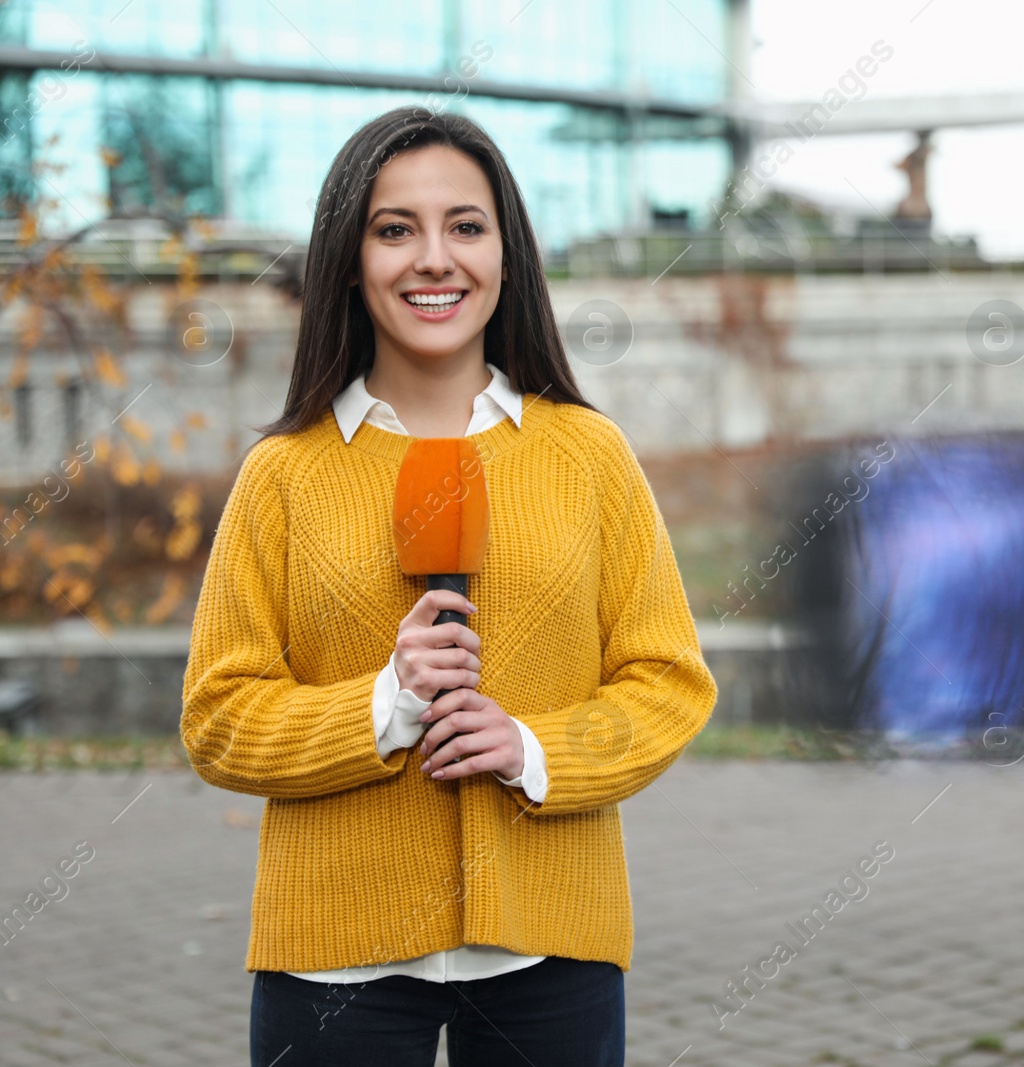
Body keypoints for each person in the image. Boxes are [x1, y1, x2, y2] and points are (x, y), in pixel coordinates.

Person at [180, 107, 717, 1067]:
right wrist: (387, 705)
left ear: (507, 253)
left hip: (553, 943)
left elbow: (668, 680)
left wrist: (534, 748)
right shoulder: (285, 474)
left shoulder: (587, 455)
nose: (435, 258)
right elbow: (219, 716)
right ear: (350, 258)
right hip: (332, 962)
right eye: (396, 229)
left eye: (465, 226)